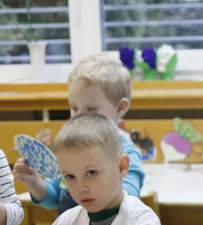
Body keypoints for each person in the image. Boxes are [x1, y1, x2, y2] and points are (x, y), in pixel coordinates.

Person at [3, 113, 177, 225]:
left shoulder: (140, 219)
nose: (81, 188)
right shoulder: (65, 224)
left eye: (91, 173)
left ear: (121, 167)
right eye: (70, 177)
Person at [14, 53, 144, 215]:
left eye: (91, 110)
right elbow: (53, 198)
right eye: (74, 108)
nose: (80, 116)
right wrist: (34, 182)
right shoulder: (67, 148)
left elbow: (129, 199)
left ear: (120, 108)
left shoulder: (126, 153)